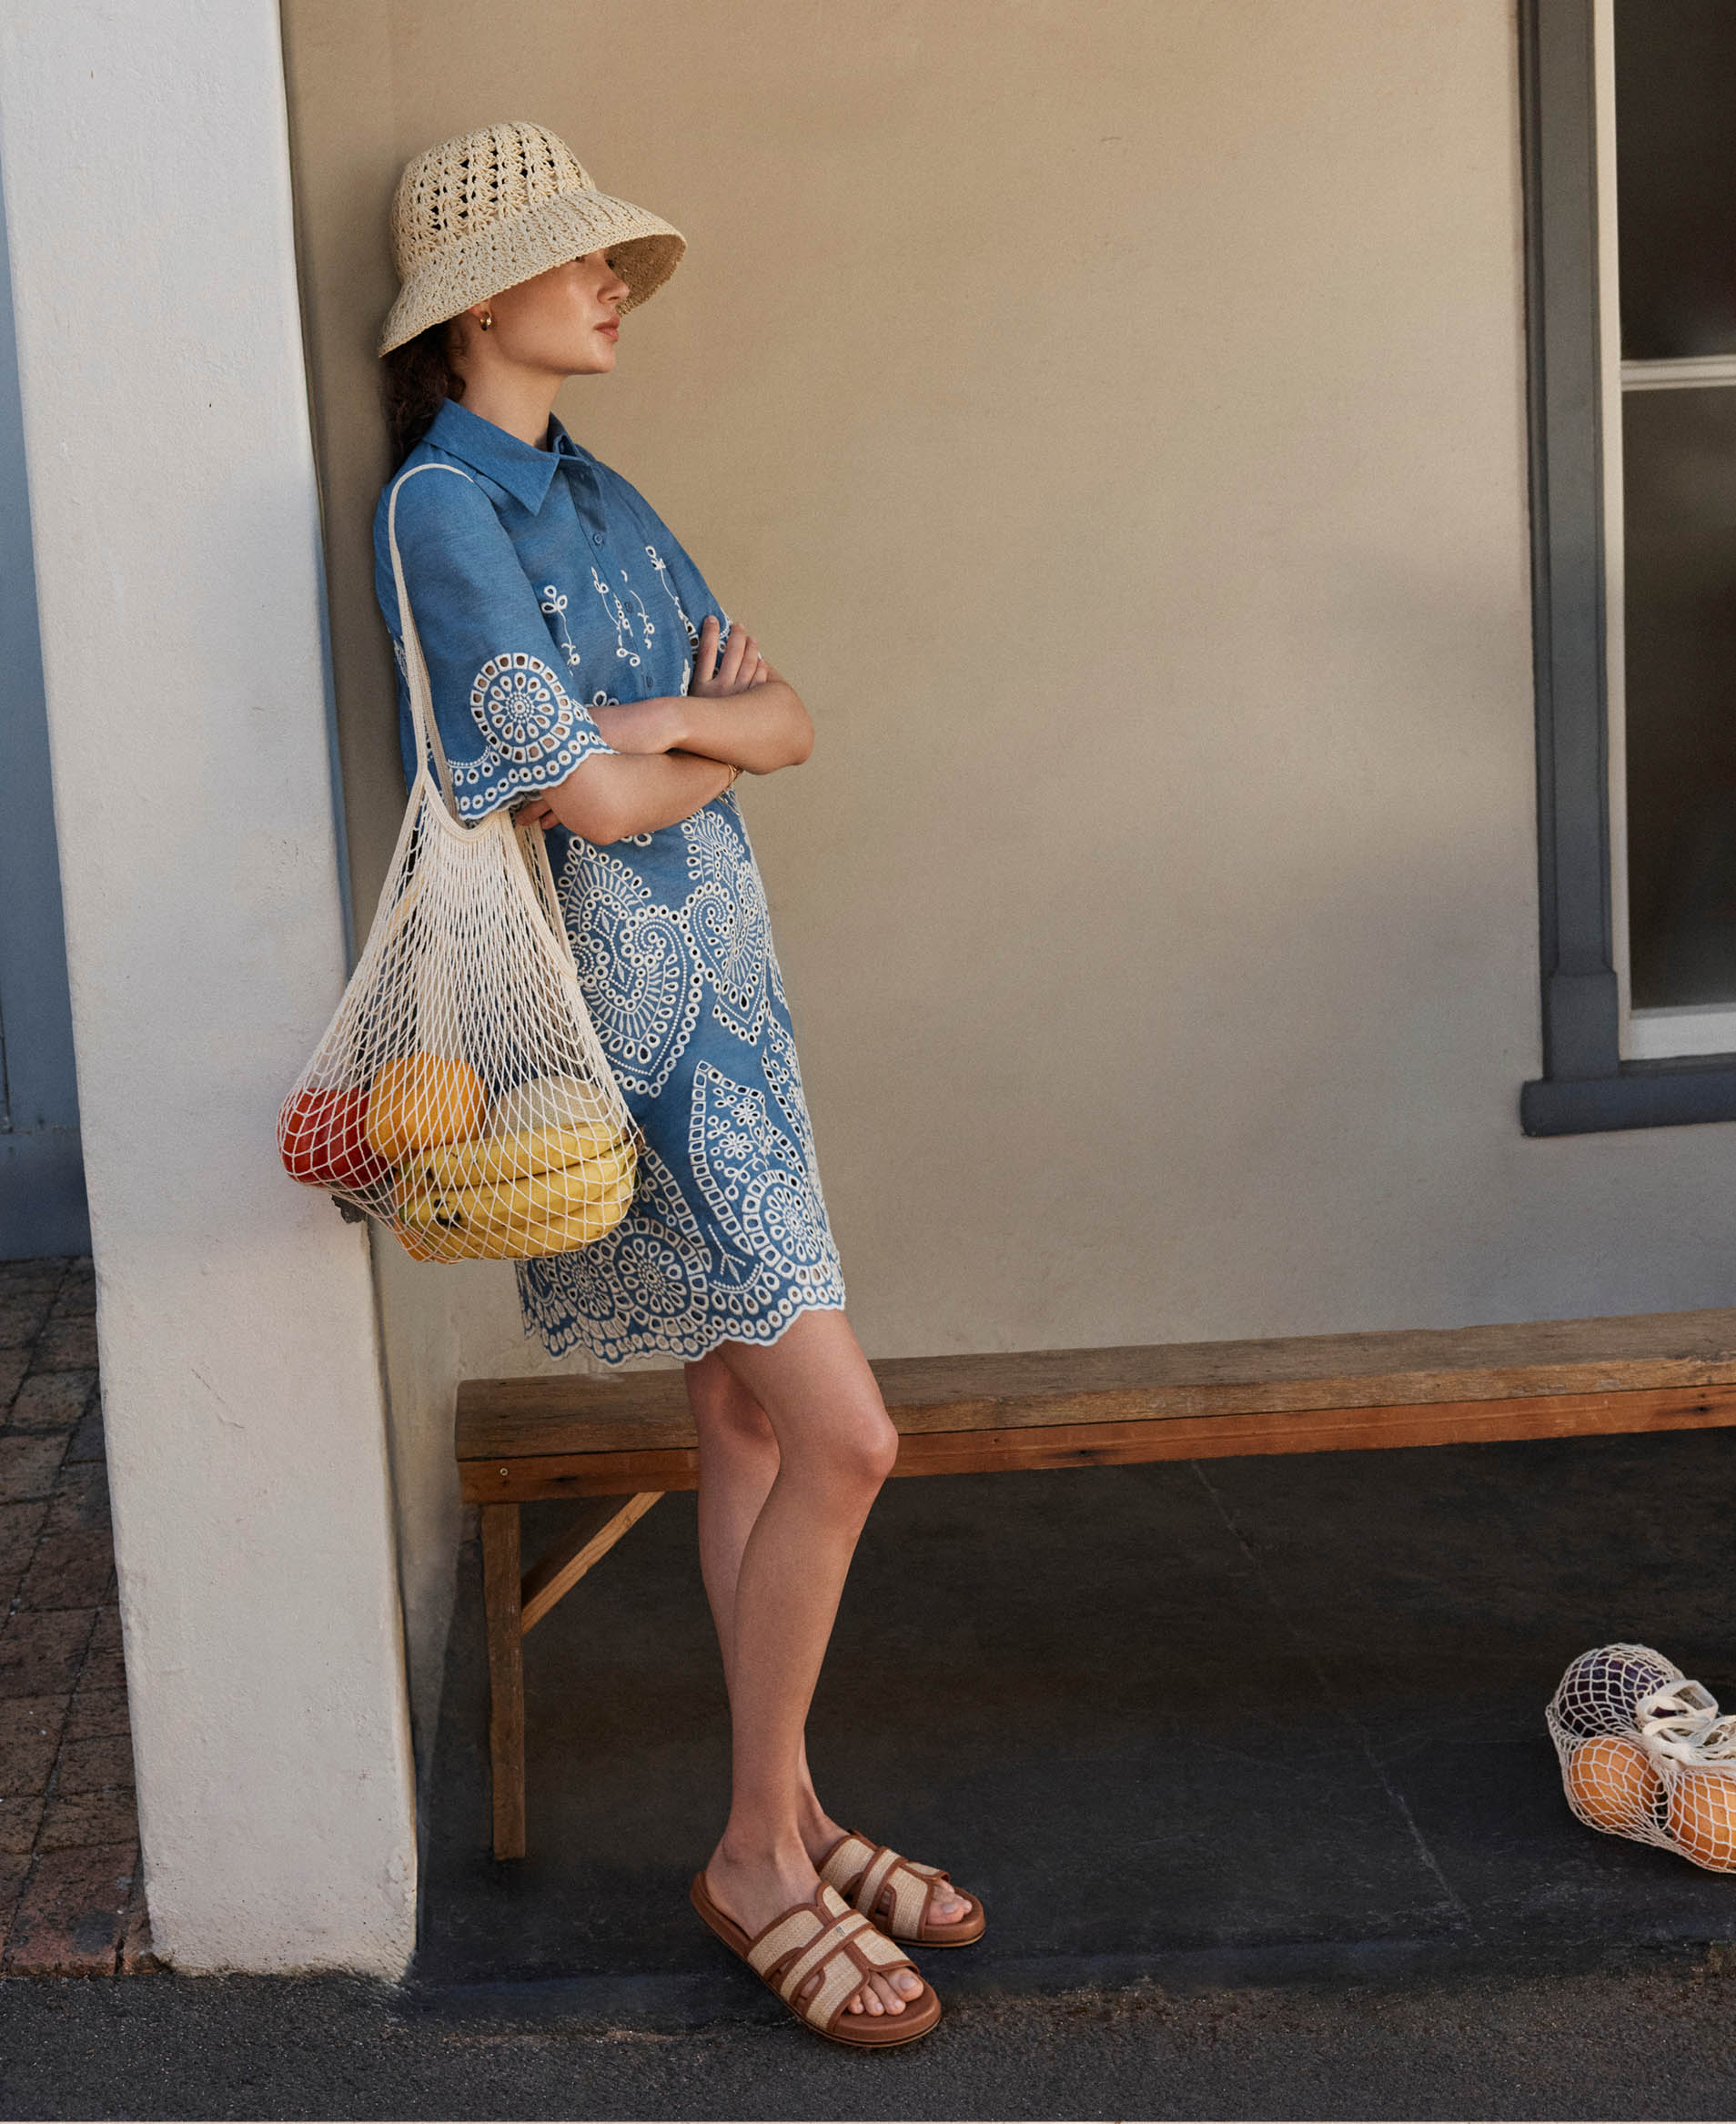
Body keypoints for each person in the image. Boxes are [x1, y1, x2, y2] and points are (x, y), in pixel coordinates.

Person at [371, 121, 981, 2048]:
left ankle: (791, 1814)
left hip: (733, 998)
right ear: (483, 301)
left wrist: (687, 733)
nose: (612, 282)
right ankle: (748, 1859)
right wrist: (691, 740)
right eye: (577, 260)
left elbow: (792, 712)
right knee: (848, 1436)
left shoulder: (600, 491)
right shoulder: (443, 512)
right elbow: (591, 793)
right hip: (632, 1038)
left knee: (739, 1423)